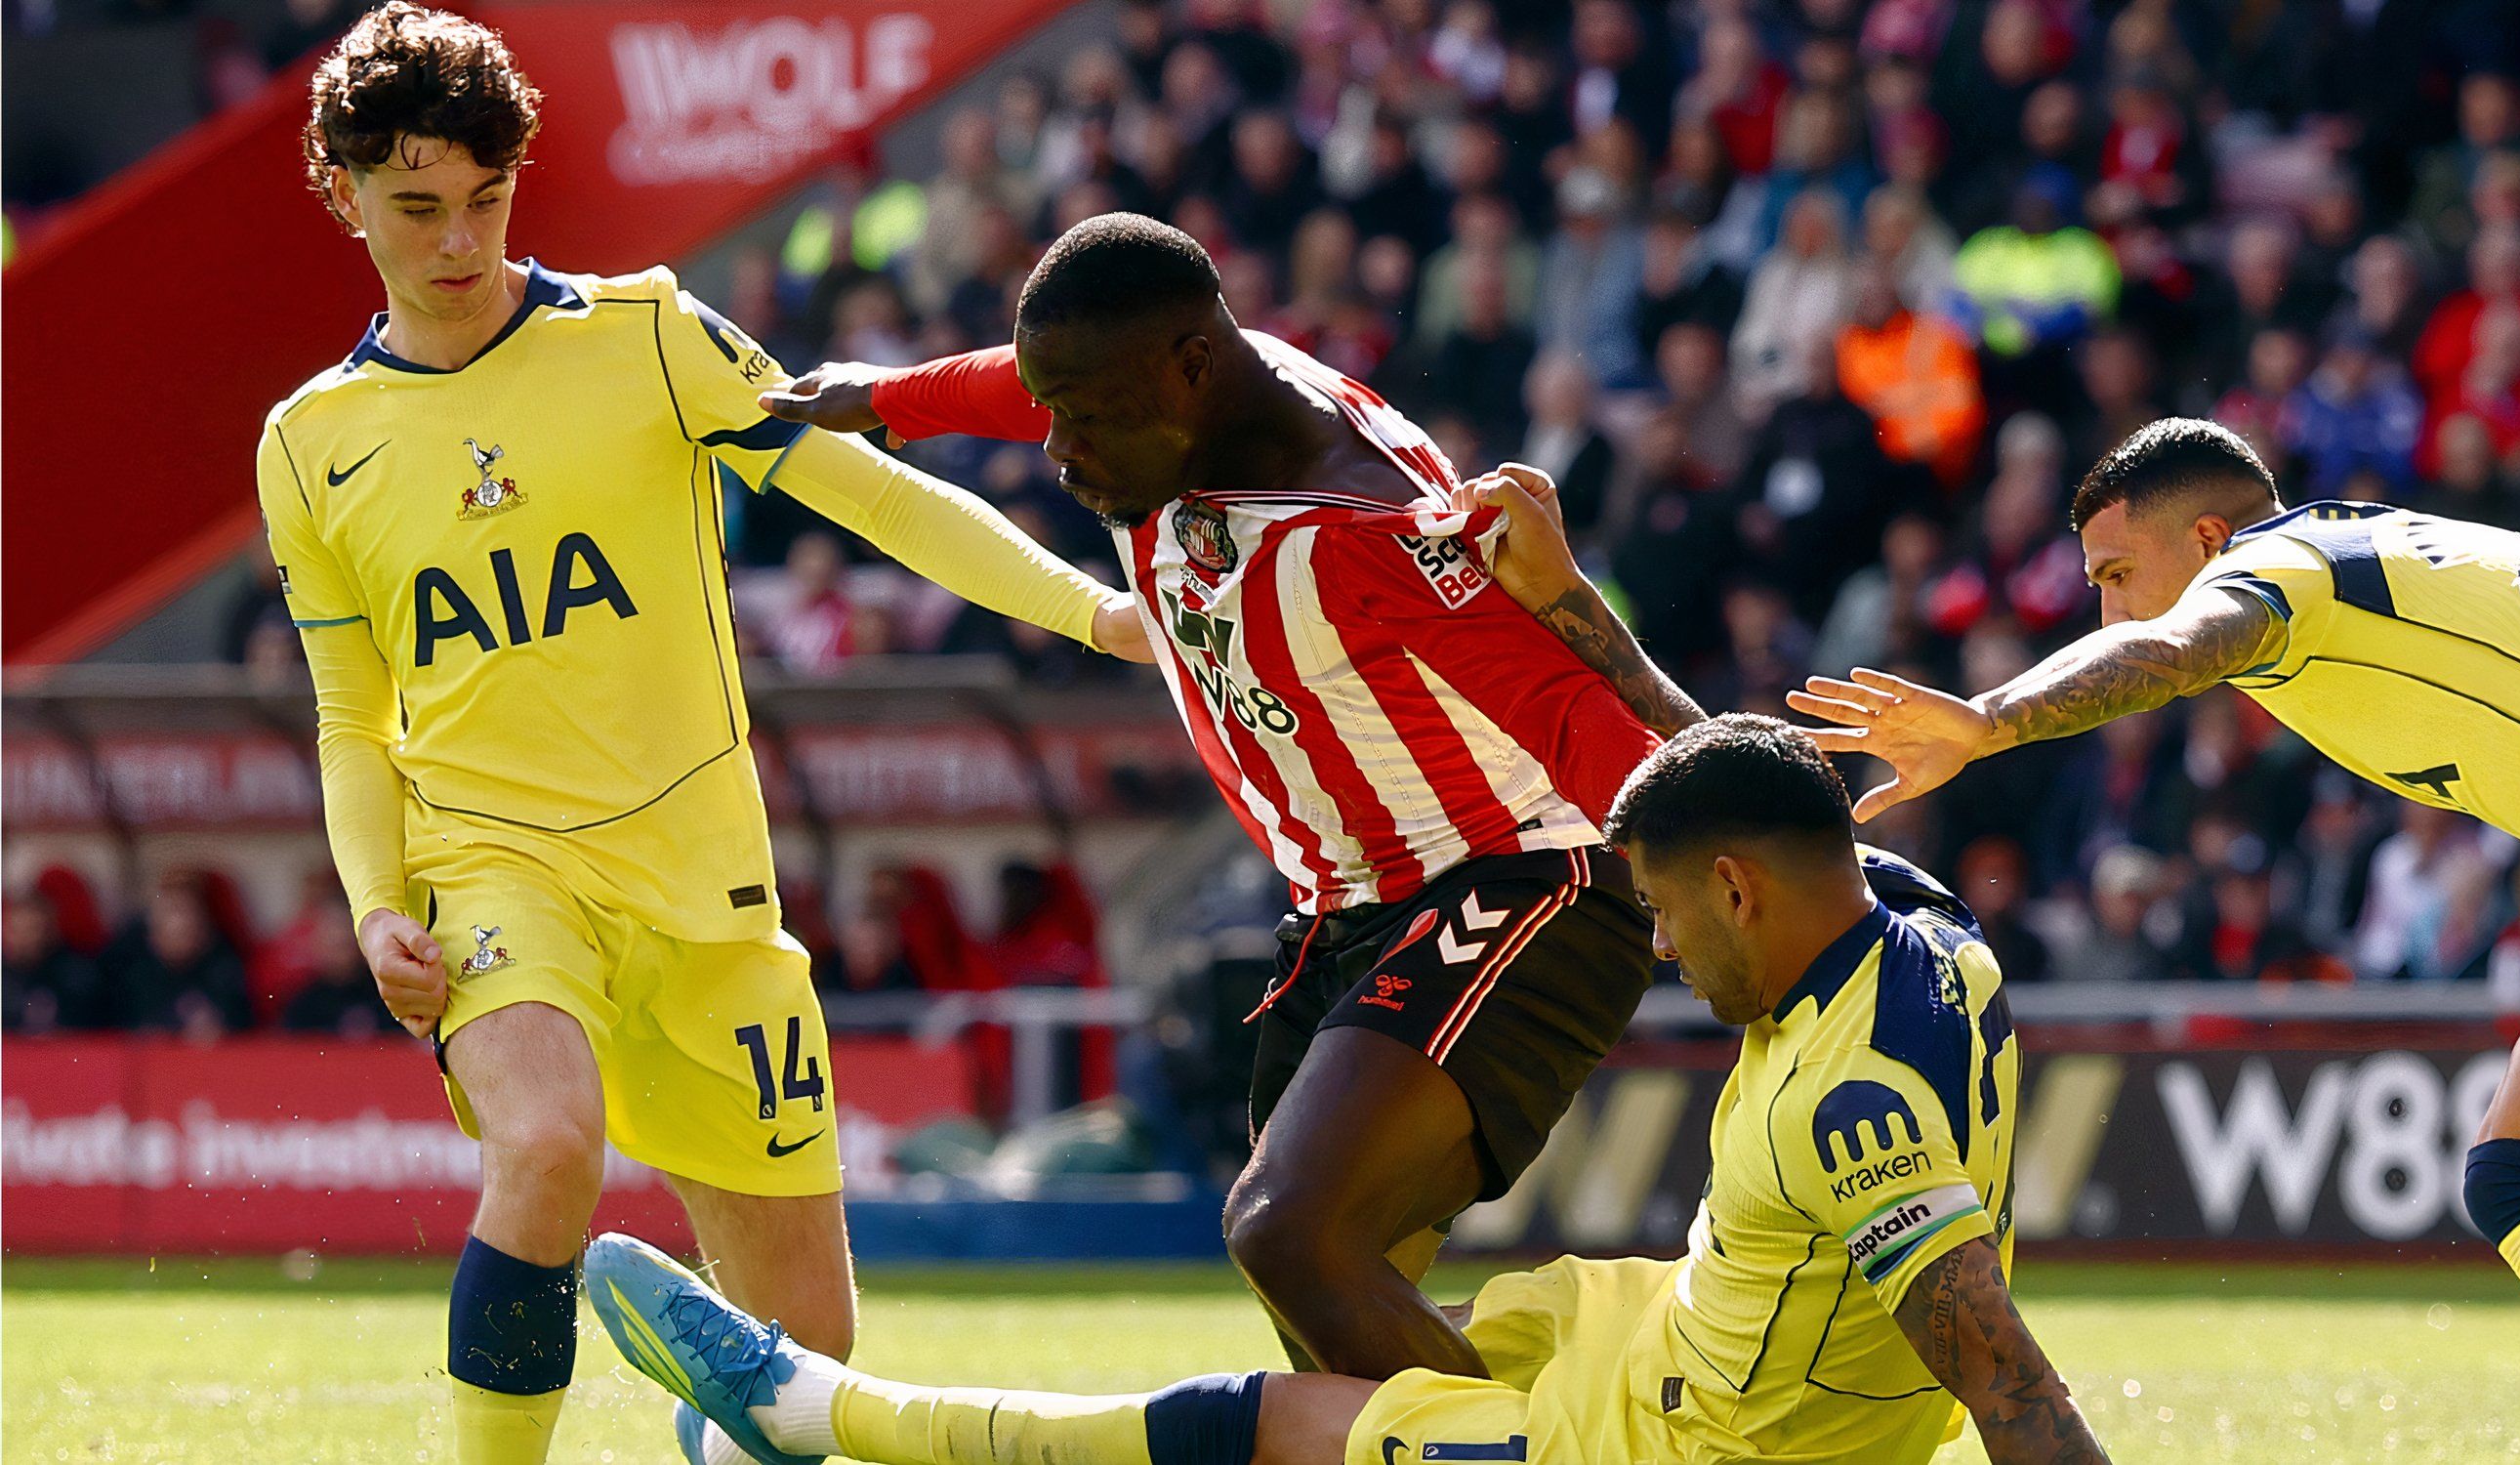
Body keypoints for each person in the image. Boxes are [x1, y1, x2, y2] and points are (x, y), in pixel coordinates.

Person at [255, 9, 1146, 1462]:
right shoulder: (308, 443)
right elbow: (353, 714)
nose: (458, 240)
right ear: (341, 189)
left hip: (708, 890)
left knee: (806, 1374)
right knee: (544, 1149)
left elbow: (869, 491)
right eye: (415, 205)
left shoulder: (652, 336)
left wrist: (1090, 613)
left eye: (484, 200)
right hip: (495, 871)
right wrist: (373, 905)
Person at [1797, 417, 2520, 1465]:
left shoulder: (2279, 564)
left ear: (2206, 537)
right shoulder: (2360, 552)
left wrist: (1991, 720)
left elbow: (2191, 640)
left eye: (2116, 575)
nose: (2108, 613)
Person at [586, 715, 2104, 1465]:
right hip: (1659, 1333)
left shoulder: (1851, 1116)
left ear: (1736, 887)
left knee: (1274, 1425)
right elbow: (1764, 783)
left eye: (1664, 911)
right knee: (1389, 1321)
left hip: (1700, 1453)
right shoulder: (1926, 927)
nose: (1654, 945)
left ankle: (820, 1411)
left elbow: (2009, 1383)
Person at [759, 213, 1700, 1384]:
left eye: (1083, 418)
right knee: (1338, 1341)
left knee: (1288, 1233)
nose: (1057, 449)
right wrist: (892, 396)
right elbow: (1034, 378)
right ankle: (1563, 1407)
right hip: (1341, 912)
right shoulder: (1175, 391)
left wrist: (1732, 876)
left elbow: (1572, 719)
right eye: (1055, 412)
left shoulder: (1364, 527)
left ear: (1192, 368)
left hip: (1520, 882)